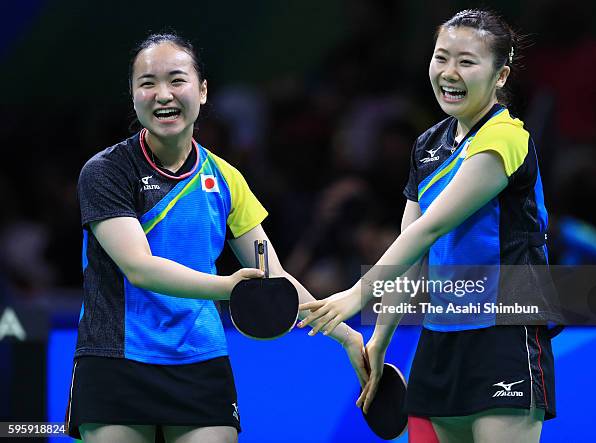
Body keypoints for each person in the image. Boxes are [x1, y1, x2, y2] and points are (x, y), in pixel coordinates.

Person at [65, 33, 367, 443]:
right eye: (147, 83)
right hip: (117, 358)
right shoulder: (106, 172)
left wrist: (348, 336)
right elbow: (139, 268)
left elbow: (273, 278)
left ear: (202, 91)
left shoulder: (225, 178)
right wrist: (227, 288)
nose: (162, 95)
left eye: (177, 80)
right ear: (133, 96)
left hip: (199, 361)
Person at [299, 10, 559, 443]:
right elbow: (412, 249)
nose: (449, 72)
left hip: (504, 338)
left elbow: (430, 229)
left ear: (501, 75)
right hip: (438, 345)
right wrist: (380, 337)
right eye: (442, 57)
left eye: (467, 61)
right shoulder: (428, 145)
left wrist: (358, 293)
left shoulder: (507, 137)